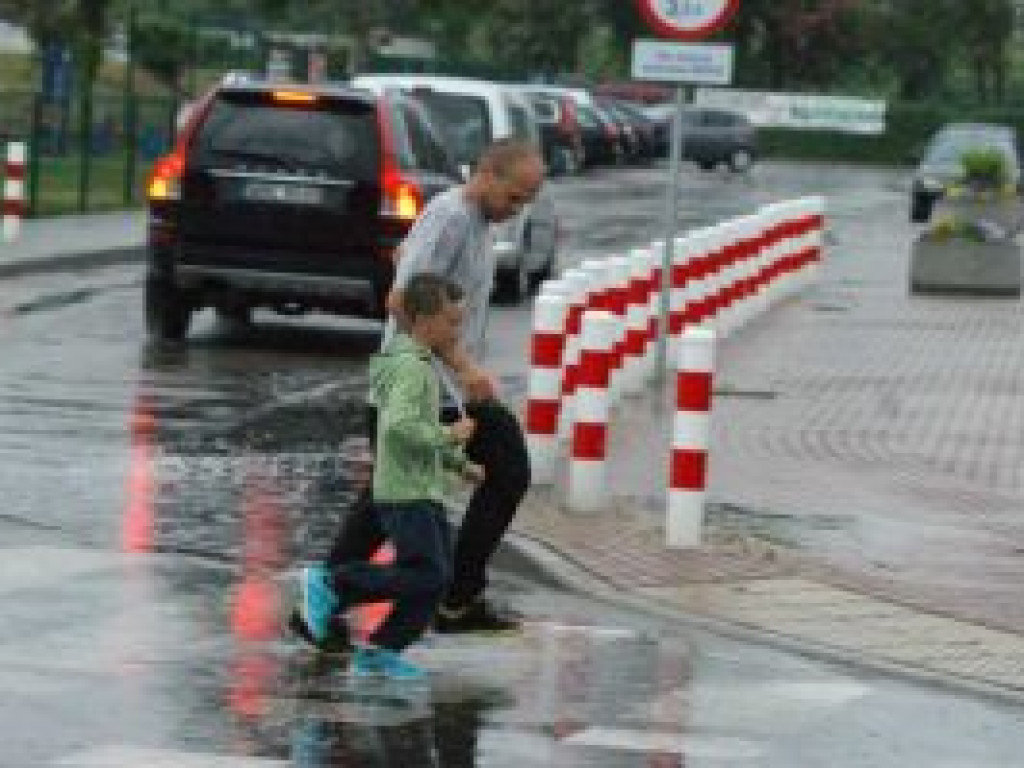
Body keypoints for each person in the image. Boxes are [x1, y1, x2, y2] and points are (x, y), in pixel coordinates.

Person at [303, 137, 545, 644]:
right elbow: (401, 299)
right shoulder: (451, 218)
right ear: (488, 173)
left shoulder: (473, 223)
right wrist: (461, 365)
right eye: (515, 198)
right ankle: (441, 597)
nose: (517, 211)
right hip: (416, 388)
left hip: (440, 387)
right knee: (494, 472)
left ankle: (340, 600)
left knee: (386, 501)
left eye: (526, 202)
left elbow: (411, 272)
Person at [299, 273, 484, 681]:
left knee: (436, 579)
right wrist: (450, 434)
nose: (456, 331)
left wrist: (458, 464)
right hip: (406, 491)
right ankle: (334, 584)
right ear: (424, 321)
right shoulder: (412, 370)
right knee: (428, 575)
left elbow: (406, 427)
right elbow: (401, 427)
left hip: (419, 485)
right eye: (451, 322)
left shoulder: (413, 363)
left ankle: (382, 652)